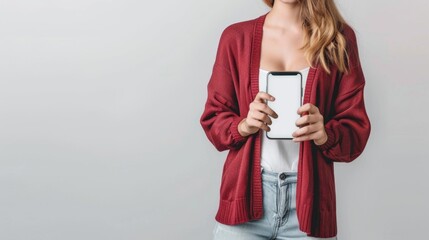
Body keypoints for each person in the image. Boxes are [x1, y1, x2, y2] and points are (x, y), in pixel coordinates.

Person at [199, 0, 371, 239]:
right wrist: (244, 125)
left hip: (310, 205)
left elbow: (356, 132)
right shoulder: (235, 37)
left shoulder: (338, 38)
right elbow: (213, 118)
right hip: (245, 199)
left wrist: (325, 134)